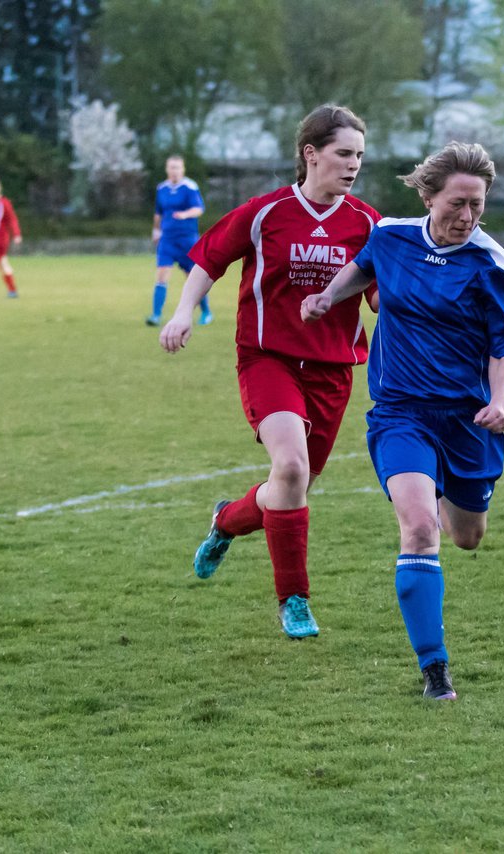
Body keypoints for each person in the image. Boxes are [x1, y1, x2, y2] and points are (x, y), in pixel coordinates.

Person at [301, 141, 504, 701]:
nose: (467, 216)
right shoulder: (391, 236)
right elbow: (362, 270)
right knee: (420, 528)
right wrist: (328, 297)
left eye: (477, 205)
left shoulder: (491, 264)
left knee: (466, 536)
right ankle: (435, 672)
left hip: (469, 419)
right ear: (429, 196)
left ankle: (448, 496)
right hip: (400, 414)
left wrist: (501, 403)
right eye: (457, 203)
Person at [159, 104, 379, 639]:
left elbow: (380, 296)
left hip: (333, 371)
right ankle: (295, 601)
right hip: (269, 359)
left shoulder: (368, 223)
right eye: (343, 154)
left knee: (291, 487)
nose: (353, 165)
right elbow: (209, 257)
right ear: (311, 154)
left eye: (359, 156)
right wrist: (184, 310)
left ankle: (225, 521)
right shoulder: (266, 212)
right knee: (290, 470)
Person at [148, 155, 211, 327]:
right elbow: (158, 213)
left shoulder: (189, 187)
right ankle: (155, 315)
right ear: (167, 169)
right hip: (167, 240)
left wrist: (185, 214)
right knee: (161, 275)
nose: (174, 171)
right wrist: (156, 230)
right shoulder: (162, 188)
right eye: (171, 167)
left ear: (182, 169)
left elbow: (199, 209)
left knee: (193, 278)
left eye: (177, 167)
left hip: (187, 240)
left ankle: (206, 312)